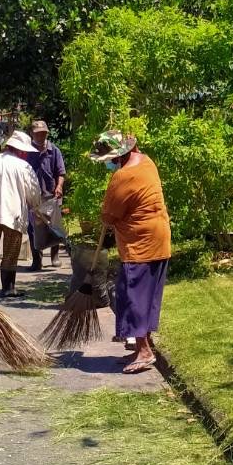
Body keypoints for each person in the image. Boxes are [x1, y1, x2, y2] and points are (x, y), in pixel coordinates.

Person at [91, 130, 171, 375]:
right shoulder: (147, 162)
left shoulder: (123, 176)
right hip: (159, 238)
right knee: (144, 297)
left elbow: (108, 216)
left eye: (109, 159)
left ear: (119, 156)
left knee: (132, 296)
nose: (108, 163)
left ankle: (145, 351)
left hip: (140, 245)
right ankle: (139, 348)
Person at [0, 130, 43, 297]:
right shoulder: (24, 167)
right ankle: (8, 288)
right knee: (11, 251)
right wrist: (35, 207)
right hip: (14, 216)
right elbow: (34, 193)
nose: (26, 154)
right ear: (20, 150)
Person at [24, 119, 66, 271]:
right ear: (32, 134)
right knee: (33, 228)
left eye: (43, 133)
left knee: (53, 226)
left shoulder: (54, 150)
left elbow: (61, 172)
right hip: (33, 196)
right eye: (37, 134)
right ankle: (37, 260)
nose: (40, 136)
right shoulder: (27, 151)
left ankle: (55, 256)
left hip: (52, 194)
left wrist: (59, 186)